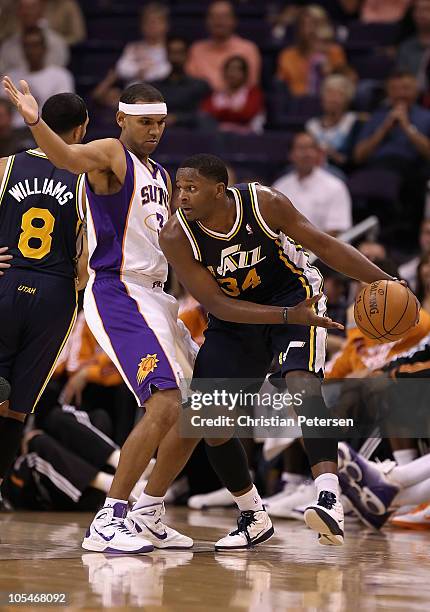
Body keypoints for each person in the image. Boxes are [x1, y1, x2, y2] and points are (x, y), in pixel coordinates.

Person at [4, 77, 342, 553]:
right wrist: (36, 121)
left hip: (159, 297)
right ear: (121, 120)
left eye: (160, 123)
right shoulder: (110, 154)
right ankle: (109, 518)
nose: (154, 131)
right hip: (119, 289)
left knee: (195, 411)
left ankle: (150, 511)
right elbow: (66, 158)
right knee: (164, 404)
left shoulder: (165, 177)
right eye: (144, 122)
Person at [157, 153, 405, 548]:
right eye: (179, 189)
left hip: (298, 297)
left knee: (302, 385)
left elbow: (324, 245)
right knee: (211, 422)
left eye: (191, 188)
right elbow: (217, 305)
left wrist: (388, 280)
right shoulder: (175, 235)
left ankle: (328, 496)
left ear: (219, 190)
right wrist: (285, 316)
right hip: (237, 318)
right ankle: (253, 514)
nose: (181, 196)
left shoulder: (264, 203)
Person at [0, 92, 88, 493]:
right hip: (54, 294)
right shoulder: (87, 178)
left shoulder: (7, 167)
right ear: (82, 129)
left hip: (6, 280)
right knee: (18, 410)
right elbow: (84, 268)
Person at [272, 132, 352, 236]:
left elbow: (336, 230)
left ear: (318, 154)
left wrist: (306, 249)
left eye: (311, 148)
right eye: (301, 148)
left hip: (322, 249)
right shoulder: (279, 187)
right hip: (285, 249)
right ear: (291, 155)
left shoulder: (335, 186)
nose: (307, 153)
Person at [4, 27, 74, 129]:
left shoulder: (61, 76)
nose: (31, 50)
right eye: (27, 46)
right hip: (13, 131)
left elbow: (63, 111)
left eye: (35, 45)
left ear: (44, 48)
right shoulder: (10, 76)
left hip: (46, 130)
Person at [186, 0, 261, 92]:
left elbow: (251, 86)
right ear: (206, 21)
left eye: (224, 16)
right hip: (202, 102)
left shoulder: (248, 49)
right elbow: (191, 85)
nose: (218, 21)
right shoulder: (196, 49)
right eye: (213, 16)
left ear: (234, 20)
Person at [276, 5, 350, 96]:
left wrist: (329, 71)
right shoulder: (288, 55)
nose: (309, 29)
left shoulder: (334, 51)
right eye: (304, 24)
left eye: (314, 24)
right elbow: (280, 86)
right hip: (297, 104)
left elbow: (346, 83)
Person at [150, 36, 210, 129]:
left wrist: (178, 119)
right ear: (167, 55)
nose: (176, 57)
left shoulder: (200, 86)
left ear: (187, 55)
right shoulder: (156, 87)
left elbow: (204, 115)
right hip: (162, 133)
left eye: (179, 53)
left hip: (192, 133)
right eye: (172, 53)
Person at [306, 74, 360, 169]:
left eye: (339, 94)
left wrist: (332, 154)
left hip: (340, 171)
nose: (333, 99)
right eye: (329, 93)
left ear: (347, 99)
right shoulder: (311, 125)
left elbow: (354, 160)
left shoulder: (354, 122)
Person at [0, 0, 69, 74]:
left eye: (32, 7)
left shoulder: (57, 44)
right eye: (23, 7)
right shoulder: (8, 46)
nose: (27, 12)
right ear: (17, 11)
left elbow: (56, 77)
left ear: (41, 10)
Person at [202, 56, 265, 134]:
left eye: (237, 69)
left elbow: (247, 114)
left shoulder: (253, 94)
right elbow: (206, 115)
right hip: (217, 137)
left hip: (246, 138)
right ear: (224, 73)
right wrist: (234, 111)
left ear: (245, 74)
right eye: (230, 69)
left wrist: (220, 112)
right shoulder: (215, 94)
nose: (233, 73)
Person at [116, 2, 170, 86]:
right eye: (147, 22)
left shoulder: (170, 48)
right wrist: (137, 71)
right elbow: (121, 68)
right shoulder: (133, 47)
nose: (151, 26)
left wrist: (147, 75)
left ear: (166, 25)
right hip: (133, 94)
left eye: (155, 22)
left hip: (160, 92)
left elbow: (167, 71)